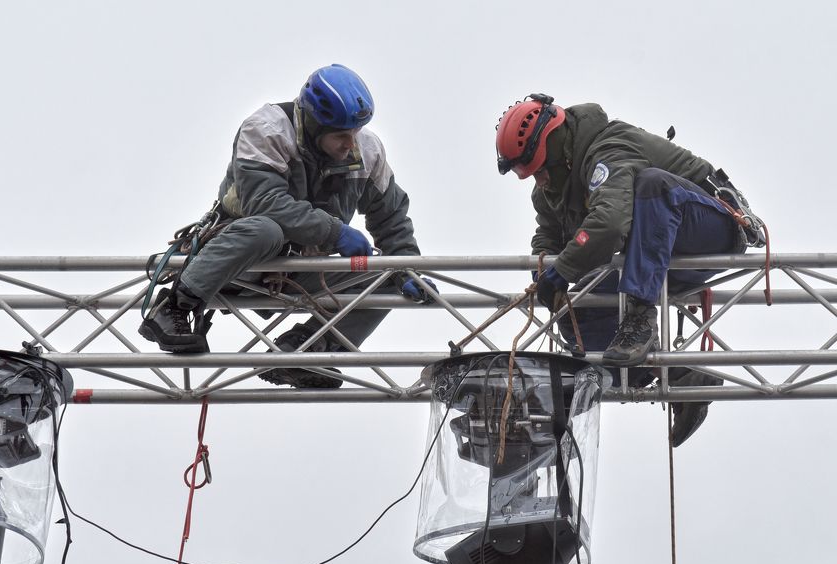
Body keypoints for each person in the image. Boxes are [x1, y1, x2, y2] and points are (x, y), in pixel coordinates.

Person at [139, 64, 435, 389]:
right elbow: (264, 203)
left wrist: (407, 266)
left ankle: (304, 350)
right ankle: (175, 305)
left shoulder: (366, 151)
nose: (350, 144)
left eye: (355, 133)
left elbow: (391, 216)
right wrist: (335, 232)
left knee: (390, 275)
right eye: (341, 135)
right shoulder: (267, 130)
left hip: (300, 269)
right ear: (313, 123)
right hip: (243, 259)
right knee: (269, 230)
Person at [494, 93, 764, 445]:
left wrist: (563, 271)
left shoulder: (608, 150)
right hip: (654, 253)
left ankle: (639, 314)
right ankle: (679, 377)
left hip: (708, 228)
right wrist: (544, 273)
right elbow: (548, 235)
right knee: (581, 313)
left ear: (554, 147)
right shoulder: (550, 190)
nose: (537, 180)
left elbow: (608, 225)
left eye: (538, 169)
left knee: (652, 185)